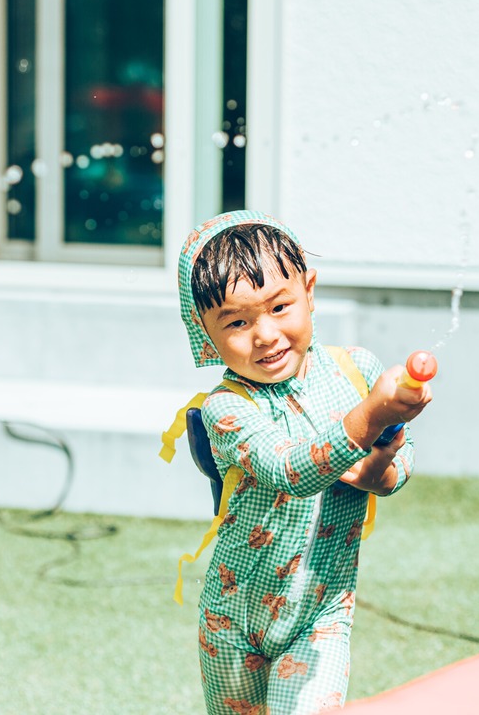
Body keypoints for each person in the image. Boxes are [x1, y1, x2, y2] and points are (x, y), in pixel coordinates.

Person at [177, 210, 432, 714]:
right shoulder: (227, 407)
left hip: (321, 616)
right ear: (204, 332)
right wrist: (371, 416)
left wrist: (381, 471)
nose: (265, 334)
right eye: (236, 321)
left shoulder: (354, 370)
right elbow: (287, 470)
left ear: (309, 291)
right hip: (232, 622)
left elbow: (402, 460)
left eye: (279, 306)